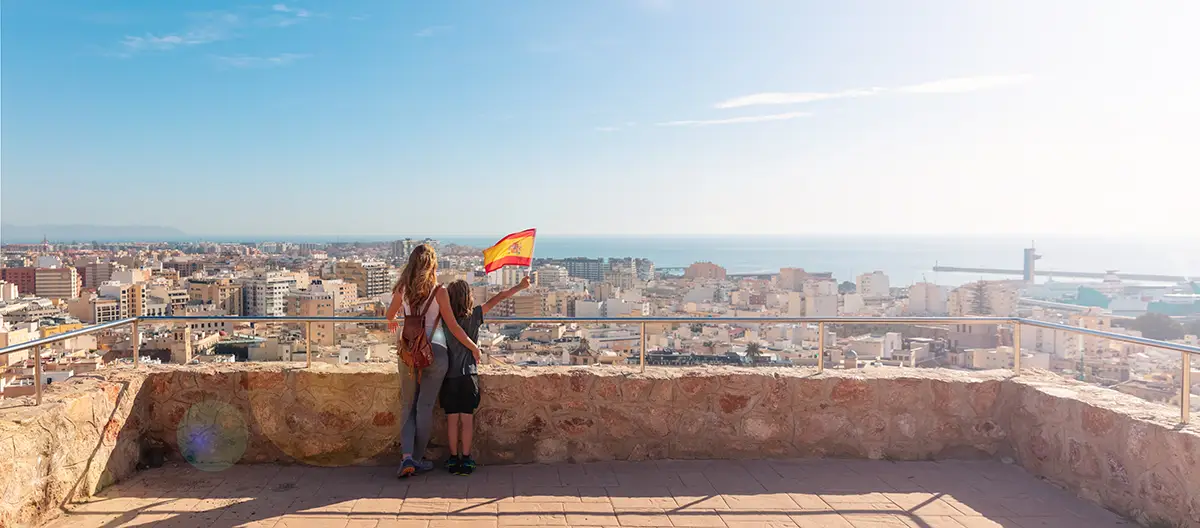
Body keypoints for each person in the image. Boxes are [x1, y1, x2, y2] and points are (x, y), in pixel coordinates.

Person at [385, 244, 483, 478]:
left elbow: (390, 316)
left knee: (408, 406)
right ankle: (418, 459)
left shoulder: (402, 289)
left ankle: (406, 457)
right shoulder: (440, 292)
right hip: (435, 353)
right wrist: (474, 347)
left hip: (409, 352)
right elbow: (454, 326)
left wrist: (398, 321)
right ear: (433, 265)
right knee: (425, 407)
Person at [441, 275, 530, 475]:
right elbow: (499, 297)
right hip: (469, 375)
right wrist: (520, 286)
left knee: (452, 420)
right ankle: (467, 458)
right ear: (468, 297)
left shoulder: (446, 318)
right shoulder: (476, 315)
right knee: (467, 419)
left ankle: (453, 458)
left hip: (450, 377)